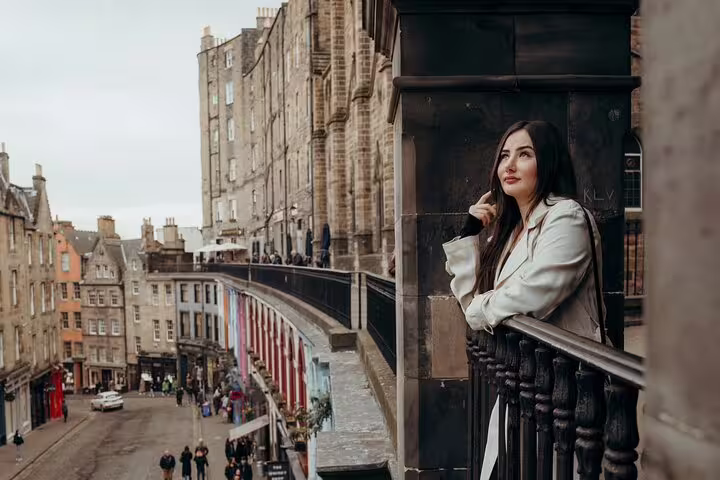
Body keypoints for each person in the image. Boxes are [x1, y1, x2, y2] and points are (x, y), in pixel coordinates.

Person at [443, 120, 606, 477]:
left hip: (565, 393)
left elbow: (533, 295)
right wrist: (470, 233)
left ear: (546, 162)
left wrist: (479, 310)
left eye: (524, 154)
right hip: (527, 388)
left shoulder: (567, 217)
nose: (509, 165)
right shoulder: (514, 231)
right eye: (504, 156)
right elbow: (470, 298)